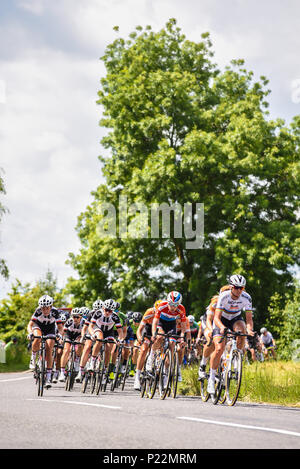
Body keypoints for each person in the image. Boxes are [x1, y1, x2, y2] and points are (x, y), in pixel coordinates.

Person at [207, 275, 254, 394]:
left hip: (235, 318)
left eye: (241, 288)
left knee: (242, 330)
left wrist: (249, 329)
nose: (239, 290)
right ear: (231, 287)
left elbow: (249, 319)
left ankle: (236, 357)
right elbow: (216, 318)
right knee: (219, 348)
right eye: (236, 288)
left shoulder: (246, 298)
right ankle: (211, 379)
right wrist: (222, 327)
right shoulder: (223, 296)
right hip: (221, 319)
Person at [147, 291, 187, 388]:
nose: (173, 307)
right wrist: (153, 334)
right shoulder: (162, 305)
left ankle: (166, 375)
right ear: (167, 302)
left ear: (179, 304)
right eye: (171, 304)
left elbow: (183, 326)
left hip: (171, 325)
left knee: (172, 345)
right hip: (161, 322)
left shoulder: (181, 309)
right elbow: (155, 321)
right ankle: (151, 357)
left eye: (175, 305)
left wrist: (182, 338)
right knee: (160, 337)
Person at [27, 295, 64, 389]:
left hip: (50, 329)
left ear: (51, 307)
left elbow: (60, 328)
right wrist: (30, 333)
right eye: (43, 308)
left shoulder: (55, 312)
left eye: (47, 308)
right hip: (38, 327)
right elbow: (30, 325)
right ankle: (33, 356)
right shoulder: (38, 311)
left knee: (49, 349)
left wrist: (60, 335)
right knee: (37, 337)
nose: (45, 310)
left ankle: (48, 377)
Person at [88, 299, 123, 376]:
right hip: (98, 329)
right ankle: (92, 361)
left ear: (113, 310)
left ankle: (105, 368)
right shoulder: (98, 313)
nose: (107, 312)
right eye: (106, 310)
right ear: (103, 308)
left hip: (109, 332)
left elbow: (120, 331)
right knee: (100, 338)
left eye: (110, 311)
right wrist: (92, 334)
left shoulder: (115, 317)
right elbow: (90, 326)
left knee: (109, 349)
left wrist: (120, 340)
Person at [75, 300, 102, 383]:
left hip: (100, 332)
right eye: (95, 310)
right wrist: (83, 336)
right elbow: (84, 328)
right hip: (90, 332)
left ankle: (99, 365)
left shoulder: (104, 316)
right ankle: (80, 371)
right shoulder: (90, 314)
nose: (96, 312)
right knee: (87, 347)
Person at [58, 308, 84, 382]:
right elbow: (64, 332)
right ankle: (62, 373)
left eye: (77, 317)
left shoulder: (84, 322)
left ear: (81, 317)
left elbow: (85, 333)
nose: (75, 319)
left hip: (79, 336)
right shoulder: (69, 321)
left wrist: (83, 339)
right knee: (66, 350)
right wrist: (61, 338)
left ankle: (77, 359)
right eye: (73, 317)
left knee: (80, 345)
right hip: (69, 335)